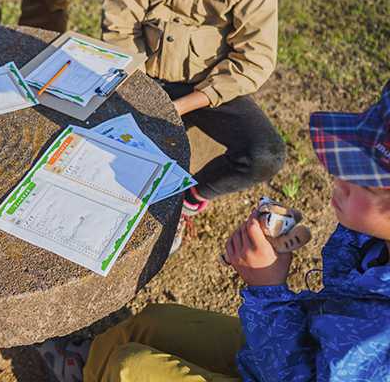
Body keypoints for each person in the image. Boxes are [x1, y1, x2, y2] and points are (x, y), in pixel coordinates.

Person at [41, 81, 390, 381]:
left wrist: (268, 289)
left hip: (292, 367)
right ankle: (90, 365)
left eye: (365, 181)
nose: (340, 179)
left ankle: (97, 371)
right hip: (305, 342)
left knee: (129, 369)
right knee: (152, 322)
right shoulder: (375, 238)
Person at [101, 0, 285, 250]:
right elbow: (119, 28)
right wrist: (140, 92)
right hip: (147, 79)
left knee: (265, 154)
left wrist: (183, 106)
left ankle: (192, 198)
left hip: (208, 88)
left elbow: (253, 59)